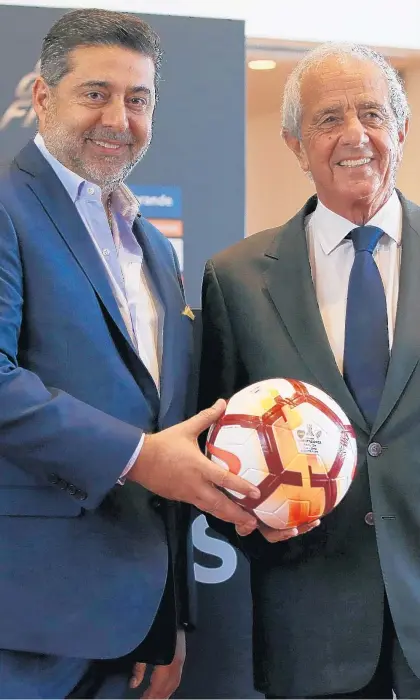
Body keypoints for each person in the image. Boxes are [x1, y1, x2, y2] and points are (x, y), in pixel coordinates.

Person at [0, 8, 260, 699]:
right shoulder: (4, 207)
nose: (119, 117)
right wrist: (142, 458)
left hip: (133, 626)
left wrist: (169, 621)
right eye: (96, 93)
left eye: (137, 99)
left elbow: (164, 419)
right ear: (42, 98)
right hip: (23, 622)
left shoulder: (151, 242)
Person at [199, 42, 420, 699]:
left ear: (401, 132)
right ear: (296, 144)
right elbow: (212, 448)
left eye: (373, 115)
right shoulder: (235, 278)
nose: (355, 135)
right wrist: (245, 514)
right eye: (329, 119)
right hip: (310, 631)